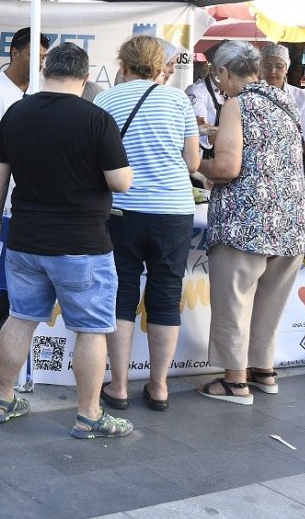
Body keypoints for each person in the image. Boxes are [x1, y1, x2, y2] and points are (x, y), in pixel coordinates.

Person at [0, 43, 134, 437]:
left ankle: (3, 398)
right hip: (82, 245)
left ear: (45, 71)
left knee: (20, 319)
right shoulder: (97, 119)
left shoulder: (17, 112)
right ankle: (89, 415)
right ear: (85, 78)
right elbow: (121, 182)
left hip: (26, 240)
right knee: (91, 330)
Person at [196, 40, 305, 405]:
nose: (218, 83)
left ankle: (234, 381)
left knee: (235, 300)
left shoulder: (237, 104)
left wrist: (195, 163)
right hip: (292, 221)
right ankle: (263, 370)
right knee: (270, 300)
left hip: (247, 221)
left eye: (218, 75)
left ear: (227, 72)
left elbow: (227, 169)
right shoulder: (284, 101)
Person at [94, 35, 200, 412]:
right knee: (165, 295)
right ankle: (158, 387)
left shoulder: (105, 100)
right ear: (160, 67)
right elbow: (191, 163)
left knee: (121, 295)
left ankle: (119, 387)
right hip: (173, 211)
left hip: (122, 210)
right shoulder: (179, 101)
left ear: (123, 65)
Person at [0, 27, 49, 334]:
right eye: (33, 55)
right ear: (15, 53)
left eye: (43, 57)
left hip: (30, 191)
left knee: (18, 255)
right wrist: (25, 142)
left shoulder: (42, 90)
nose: (39, 62)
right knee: (1, 256)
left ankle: (19, 314)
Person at [259, 44, 305, 184]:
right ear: (259, 67)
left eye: (279, 66)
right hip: (259, 170)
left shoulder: (301, 97)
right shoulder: (250, 96)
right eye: (267, 66)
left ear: (287, 68)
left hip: (291, 170)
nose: (273, 71)